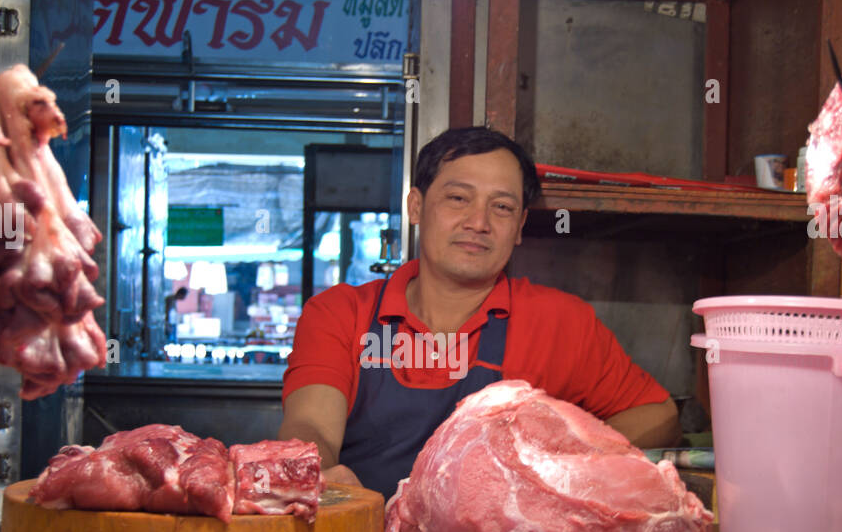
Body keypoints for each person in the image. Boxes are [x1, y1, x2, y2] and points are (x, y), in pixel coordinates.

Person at [279, 126, 680, 499]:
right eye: (458, 198)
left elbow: (658, 416)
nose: (478, 222)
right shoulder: (340, 313)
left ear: (520, 226)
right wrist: (316, 472)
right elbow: (311, 426)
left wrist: (561, 463)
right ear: (416, 206)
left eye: (502, 207)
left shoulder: (560, 322)